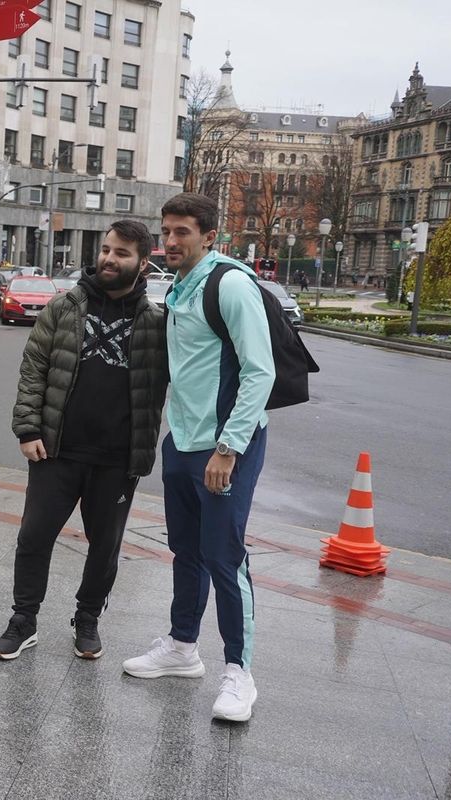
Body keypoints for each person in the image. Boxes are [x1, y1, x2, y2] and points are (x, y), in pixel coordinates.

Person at [121, 192, 275, 724]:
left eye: (182, 232)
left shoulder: (229, 283)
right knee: (186, 550)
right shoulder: (180, 283)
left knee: (224, 556)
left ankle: (240, 671)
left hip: (226, 447)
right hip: (182, 442)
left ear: (209, 236)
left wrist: (228, 448)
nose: (170, 241)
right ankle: (183, 646)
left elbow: (260, 372)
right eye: (166, 231)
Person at [0, 220, 168, 661]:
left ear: (142, 263)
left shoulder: (156, 322)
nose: (109, 258)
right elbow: (34, 367)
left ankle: (87, 618)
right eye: (106, 249)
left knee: (105, 546)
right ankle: (23, 620)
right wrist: (28, 428)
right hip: (56, 448)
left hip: (117, 457)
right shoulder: (64, 306)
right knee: (34, 537)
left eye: (121, 253)